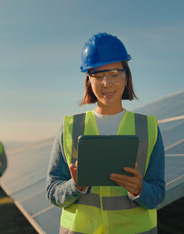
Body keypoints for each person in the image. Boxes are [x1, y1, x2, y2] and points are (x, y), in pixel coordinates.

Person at [46, 33, 165, 233]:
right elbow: (52, 191)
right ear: (89, 81)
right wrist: (76, 187)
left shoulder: (149, 128)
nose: (106, 84)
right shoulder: (69, 127)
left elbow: (158, 192)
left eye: (115, 75)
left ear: (126, 78)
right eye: (98, 76)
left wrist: (140, 189)